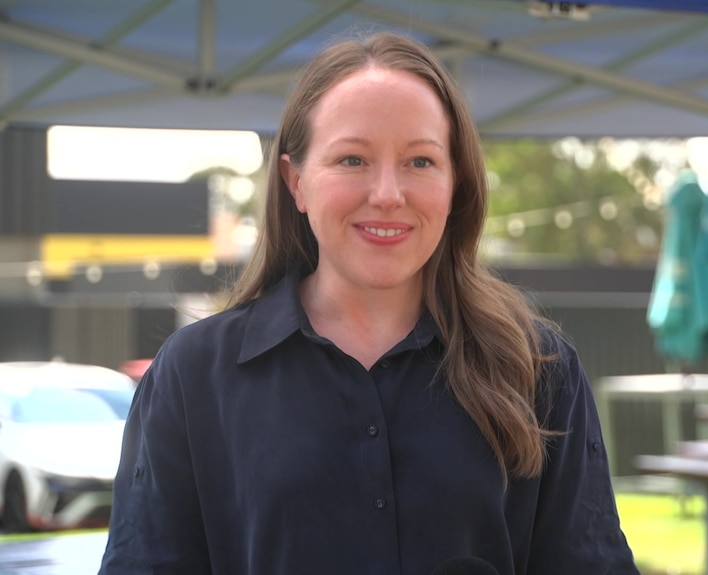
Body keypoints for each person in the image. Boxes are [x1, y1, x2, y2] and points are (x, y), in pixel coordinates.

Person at [98, 31, 640, 575]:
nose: (387, 193)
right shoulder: (194, 376)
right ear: (297, 182)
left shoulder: (540, 369)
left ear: (456, 185)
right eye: (353, 159)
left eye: (421, 162)